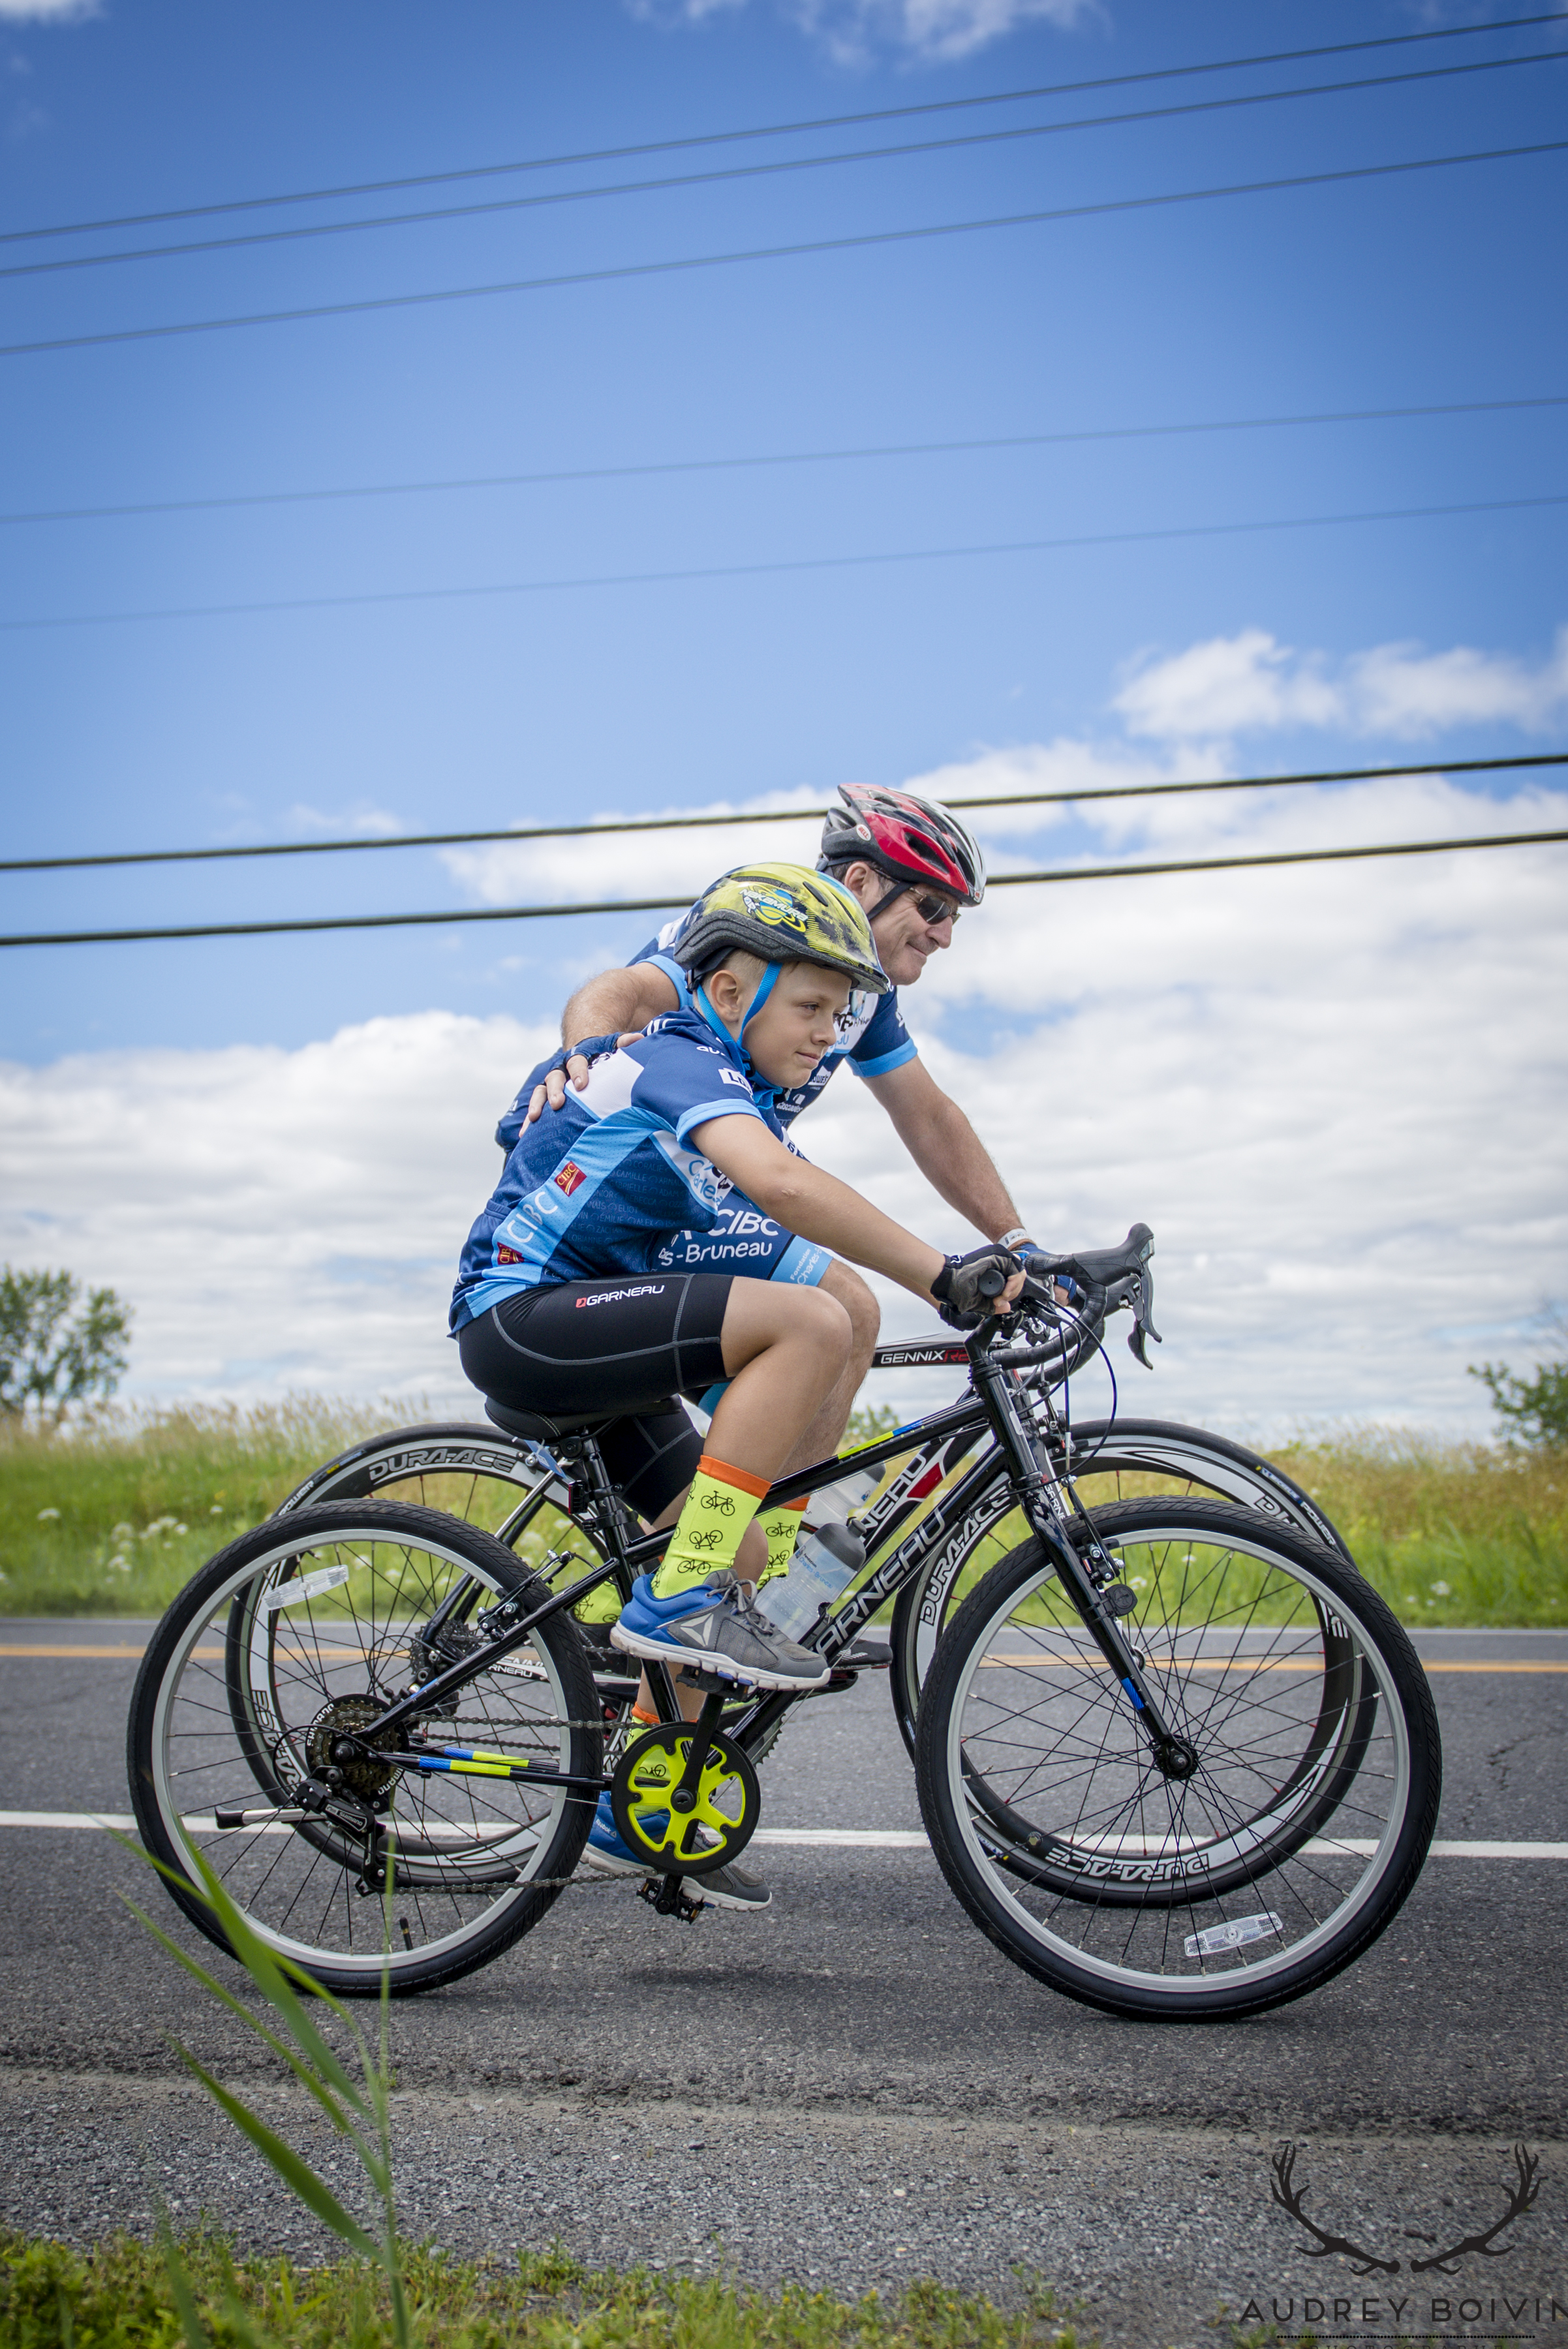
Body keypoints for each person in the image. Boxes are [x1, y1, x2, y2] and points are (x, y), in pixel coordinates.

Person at [451, 863, 1024, 1912]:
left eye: (839, 1013)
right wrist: (945, 1275)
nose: (826, 1035)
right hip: (518, 1319)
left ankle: (640, 1795)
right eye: (809, 1008)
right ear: (730, 993)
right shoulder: (676, 1055)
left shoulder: (734, 1076)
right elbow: (786, 1187)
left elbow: (802, 1177)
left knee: (744, 1544)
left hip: (591, 1331)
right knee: (813, 1320)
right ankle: (683, 1597)